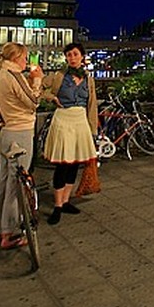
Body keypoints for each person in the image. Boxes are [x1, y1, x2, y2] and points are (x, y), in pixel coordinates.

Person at [0, 42, 43, 249]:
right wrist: (37, 81)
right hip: (21, 133)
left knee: (3, 181)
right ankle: (10, 232)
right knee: (16, 185)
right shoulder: (15, 75)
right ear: (16, 57)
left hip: (6, 132)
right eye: (25, 57)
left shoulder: (0, 74)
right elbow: (33, 102)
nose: (27, 61)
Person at [42, 43, 99, 224]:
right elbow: (38, 87)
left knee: (74, 163)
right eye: (68, 55)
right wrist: (52, 97)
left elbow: (92, 105)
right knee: (63, 164)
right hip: (63, 119)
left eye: (75, 54)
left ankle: (66, 200)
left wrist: (93, 129)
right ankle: (58, 205)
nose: (72, 58)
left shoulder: (89, 79)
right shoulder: (59, 76)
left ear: (82, 56)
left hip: (80, 120)